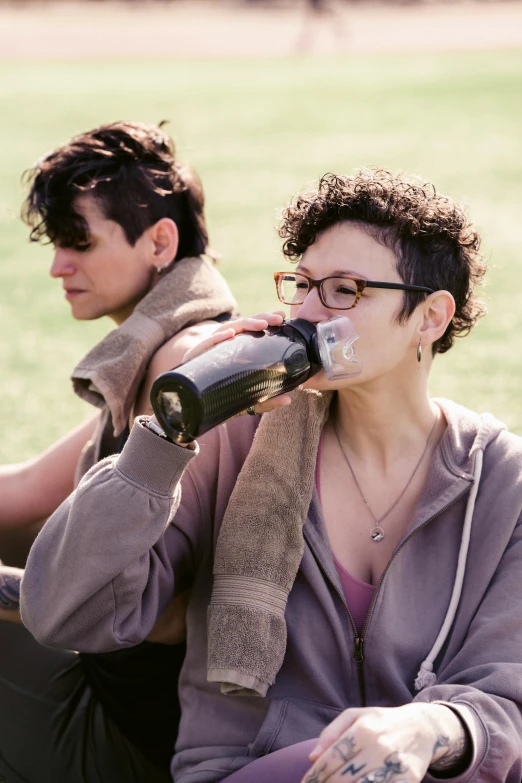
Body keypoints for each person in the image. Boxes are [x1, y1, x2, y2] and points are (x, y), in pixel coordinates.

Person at [21, 168, 522, 783]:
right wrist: (169, 431)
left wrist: (428, 728)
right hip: (250, 765)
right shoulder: (234, 440)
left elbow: (507, 691)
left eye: (344, 290)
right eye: (302, 285)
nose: (308, 313)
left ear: (430, 317)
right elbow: (68, 611)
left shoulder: (501, 480)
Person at [0, 120, 237, 782]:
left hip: (139, 737)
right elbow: (22, 495)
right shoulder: (172, 344)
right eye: (54, 243)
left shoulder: (185, 370)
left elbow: (155, 615)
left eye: (78, 242)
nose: (56, 266)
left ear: (161, 241)